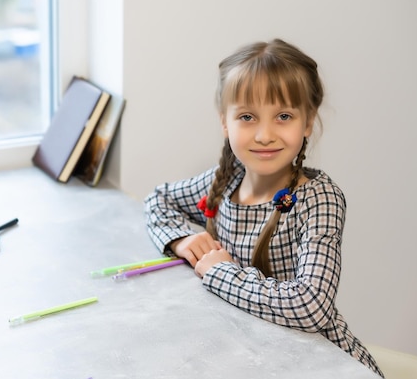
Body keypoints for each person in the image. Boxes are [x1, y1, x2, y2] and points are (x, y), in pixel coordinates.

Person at [144, 38, 384, 377]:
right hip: (260, 360)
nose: (265, 134)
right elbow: (158, 200)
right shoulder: (225, 183)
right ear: (225, 123)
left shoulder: (318, 200)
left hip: (325, 366)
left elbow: (310, 306)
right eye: (247, 116)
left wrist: (219, 272)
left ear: (308, 121)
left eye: (283, 116)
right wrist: (182, 240)